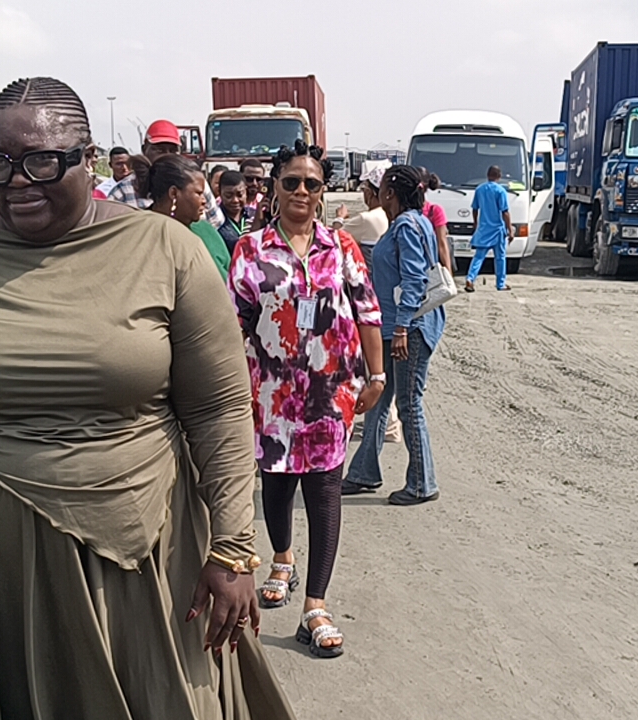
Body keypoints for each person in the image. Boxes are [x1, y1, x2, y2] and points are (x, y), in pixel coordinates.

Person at [0, 76, 294, 720]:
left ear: (89, 158)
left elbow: (219, 410)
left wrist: (234, 548)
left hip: (145, 556)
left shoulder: (169, 253)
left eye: (43, 161)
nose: (18, 181)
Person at [228, 140, 384, 659]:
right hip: (270, 394)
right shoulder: (251, 250)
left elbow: (368, 312)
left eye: (311, 183)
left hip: (329, 394)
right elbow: (233, 322)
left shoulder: (341, 247)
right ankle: (282, 558)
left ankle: (315, 606)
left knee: (324, 490)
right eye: (291, 181)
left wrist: (377, 375)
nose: (301, 190)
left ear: (323, 191)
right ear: (274, 187)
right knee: (276, 484)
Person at [343, 165, 446, 506]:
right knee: (378, 395)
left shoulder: (406, 226)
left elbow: (414, 280)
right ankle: (364, 471)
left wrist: (402, 327)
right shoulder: (410, 222)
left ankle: (421, 484)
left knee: (408, 404)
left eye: (382, 188)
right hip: (391, 327)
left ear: (389, 192)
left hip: (409, 329)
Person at [330, 163, 402, 444]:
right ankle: (388, 425)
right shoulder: (390, 218)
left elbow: (335, 235)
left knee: (373, 368)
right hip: (384, 298)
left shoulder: (369, 218)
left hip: (368, 299)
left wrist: (339, 218)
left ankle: (386, 426)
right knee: (382, 370)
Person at [111, 120, 224, 228]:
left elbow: (215, 222)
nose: (167, 156)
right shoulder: (123, 191)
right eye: (160, 150)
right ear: (144, 150)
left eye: (173, 151)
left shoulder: (195, 184)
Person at [148, 154, 231, 281]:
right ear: (174, 193)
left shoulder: (206, 231)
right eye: (198, 193)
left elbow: (231, 279)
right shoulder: (146, 234)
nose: (204, 201)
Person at [464, 165, 513, 292]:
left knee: (479, 256)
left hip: (484, 229)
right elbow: (505, 212)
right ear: (499, 176)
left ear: (487, 175)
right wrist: (510, 229)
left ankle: (470, 278)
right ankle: (500, 283)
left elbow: (475, 208)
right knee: (500, 258)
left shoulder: (480, 189)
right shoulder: (500, 191)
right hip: (497, 230)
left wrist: (476, 223)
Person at [422, 172, 454, 272]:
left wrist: (448, 274)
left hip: (429, 268)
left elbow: (442, 244)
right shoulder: (402, 210)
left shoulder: (434, 210)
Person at [217, 169, 249, 255]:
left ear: (246, 191)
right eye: (228, 195)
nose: (235, 200)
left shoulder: (254, 216)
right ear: (219, 193)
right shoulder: (215, 221)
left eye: (240, 195)